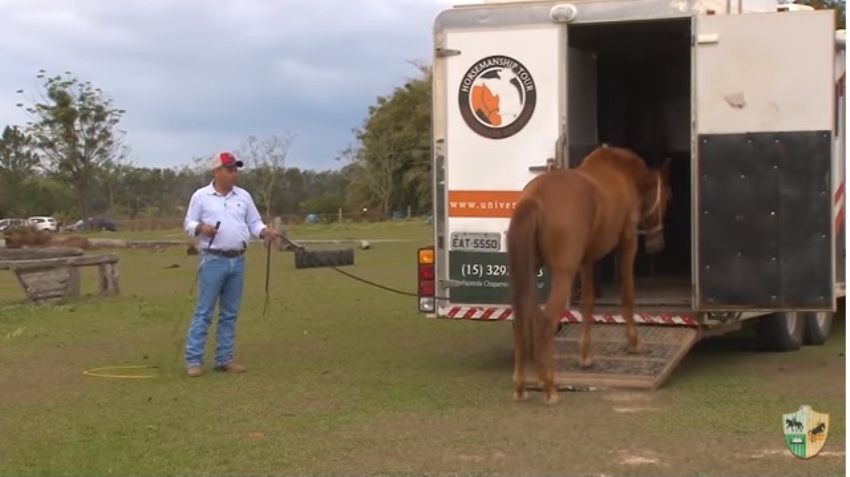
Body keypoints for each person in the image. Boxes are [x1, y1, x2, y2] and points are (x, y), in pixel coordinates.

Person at [182, 151, 279, 377]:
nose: (234, 173)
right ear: (217, 171)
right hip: (213, 259)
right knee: (204, 312)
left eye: (235, 169)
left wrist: (264, 232)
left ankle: (224, 359)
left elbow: (254, 222)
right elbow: (188, 222)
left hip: (238, 260)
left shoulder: (243, 196)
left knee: (230, 313)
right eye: (229, 169)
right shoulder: (201, 196)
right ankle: (194, 360)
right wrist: (201, 228)